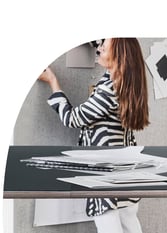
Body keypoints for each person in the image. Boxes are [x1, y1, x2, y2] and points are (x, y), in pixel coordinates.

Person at [38, 38, 150, 233]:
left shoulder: (109, 90)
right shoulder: (125, 83)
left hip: (105, 174)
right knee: (131, 226)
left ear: (117, 57)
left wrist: (53, 82)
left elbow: (72, 118)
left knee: (110, 228)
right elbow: (109, 42)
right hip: (127, 171)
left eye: (103, 48)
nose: (98, 49)